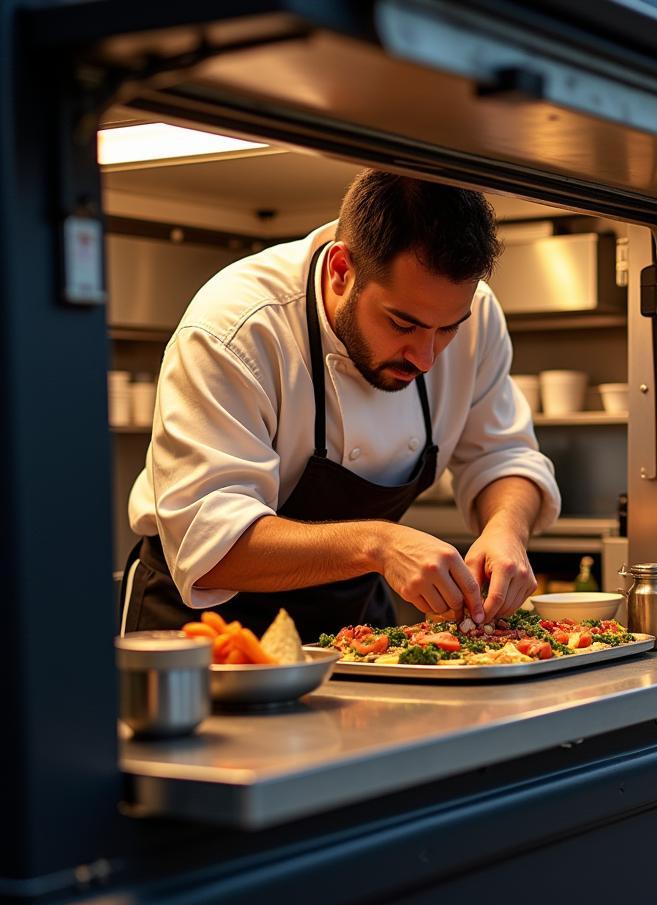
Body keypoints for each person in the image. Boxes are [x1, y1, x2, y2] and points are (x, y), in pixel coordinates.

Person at [121, 170, 560, 639]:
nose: (427, 358)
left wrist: (507, 529)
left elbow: (504, 456)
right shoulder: (237, 331)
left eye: (448, 328)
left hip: (353, 624)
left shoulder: (472, 314)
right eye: (402, 324)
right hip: (206, 631)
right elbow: (210, 545)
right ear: (341, 270)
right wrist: (378, 544)